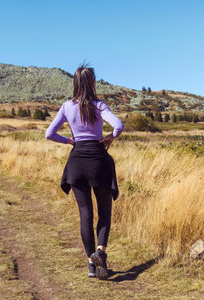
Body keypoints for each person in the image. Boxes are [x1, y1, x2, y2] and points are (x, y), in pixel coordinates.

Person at [45, 63, 124, 280]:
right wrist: (109, 138)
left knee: (85, 214)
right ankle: (100, 252)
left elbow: (49, 134)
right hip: (98, 160)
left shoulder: (66, 107)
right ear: (93, 83)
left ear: (75, 84)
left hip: (77, 161)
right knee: (105, 212)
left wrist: (70, 140)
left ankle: (92, 264)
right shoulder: (99, 106)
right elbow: (118, 126)